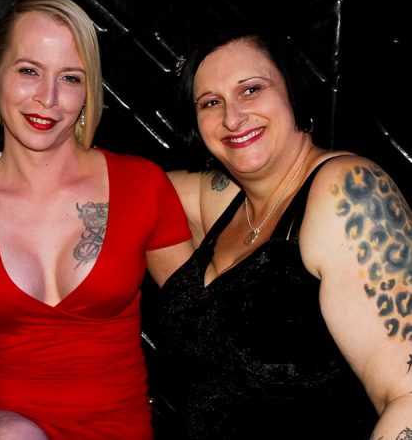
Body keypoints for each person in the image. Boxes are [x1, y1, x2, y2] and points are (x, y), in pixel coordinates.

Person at [0, 0, 193, 440]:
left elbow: (198, 326)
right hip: (5, 427)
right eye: (29, 71)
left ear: (88, 89)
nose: (48, 98)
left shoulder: (142, 185)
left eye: (70, 78)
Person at [156, 25, 412, 438]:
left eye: (251, 90)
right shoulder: (225, 200)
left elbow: (407, 396)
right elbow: (110, 185)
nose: (232, 117)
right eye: (211, 102)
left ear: (291, 90)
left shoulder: (346, 191)